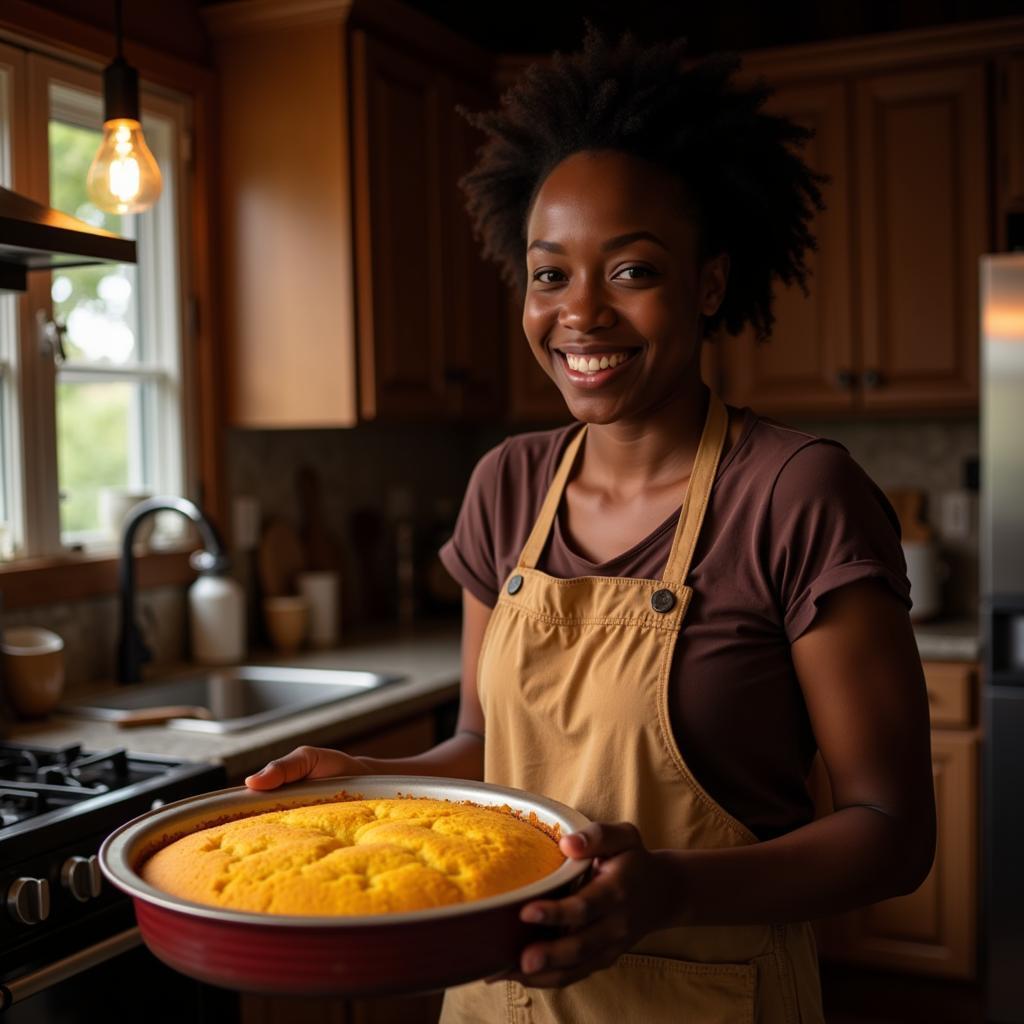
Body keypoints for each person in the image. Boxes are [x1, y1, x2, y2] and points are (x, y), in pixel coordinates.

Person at [245, 22, 936, 1023]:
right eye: (549, 272)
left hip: (706, 996)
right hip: (496, 1000)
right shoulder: (505, 485)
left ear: (706, 285)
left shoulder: (796, 493)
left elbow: (892, 831)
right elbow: (489, 750)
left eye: (631, 270)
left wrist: (674, 887)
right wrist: (365, 777)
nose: (580, 313)